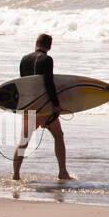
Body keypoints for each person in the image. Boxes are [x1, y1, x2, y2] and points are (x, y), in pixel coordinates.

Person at [13, 33, 70, 181]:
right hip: (44, 108)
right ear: (49, 46)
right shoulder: (47, 59)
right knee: (59, 136)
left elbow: (23, 84)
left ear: (36, 43)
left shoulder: (24, 59)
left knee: (23, 141)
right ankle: (62, 172)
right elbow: (49, 84)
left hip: (29, 108)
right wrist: (56, 105)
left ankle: (16, 175)